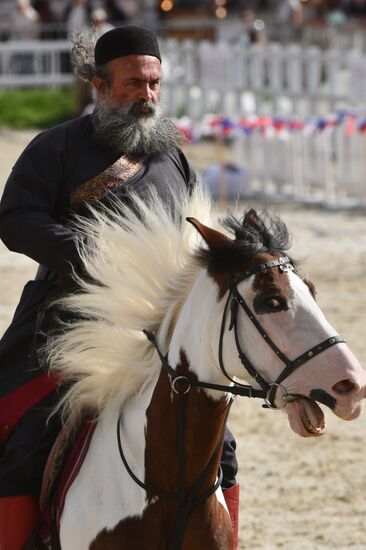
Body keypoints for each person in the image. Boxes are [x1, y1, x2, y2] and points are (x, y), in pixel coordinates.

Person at [0, 25, 239, 548]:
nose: (147, 96)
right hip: (69, 317)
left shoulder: (173, 156)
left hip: (157, 323)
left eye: (154, 84)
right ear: (100, 85)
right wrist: (99, 257)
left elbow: (200, 236)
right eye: (134, 84)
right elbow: (16, 219)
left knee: (220, 449)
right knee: (20, 437)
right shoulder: (55, 148)